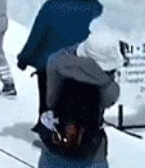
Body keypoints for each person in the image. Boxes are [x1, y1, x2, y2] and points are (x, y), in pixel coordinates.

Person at [18, 0, 103, 125]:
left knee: (47, 103)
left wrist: (24, 58)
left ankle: (46, 131)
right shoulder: (88, 8)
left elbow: (37, 35)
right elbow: (99, 7)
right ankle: (70, 135)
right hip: (76, 63)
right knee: (71, 102)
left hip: (48, 64)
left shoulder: (50, 6)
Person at [36, 32, 124, 168]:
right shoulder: (107, 86)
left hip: (56, 142)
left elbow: (51, 101)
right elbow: (111, 99)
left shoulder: (57, 65)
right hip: (91, 153)